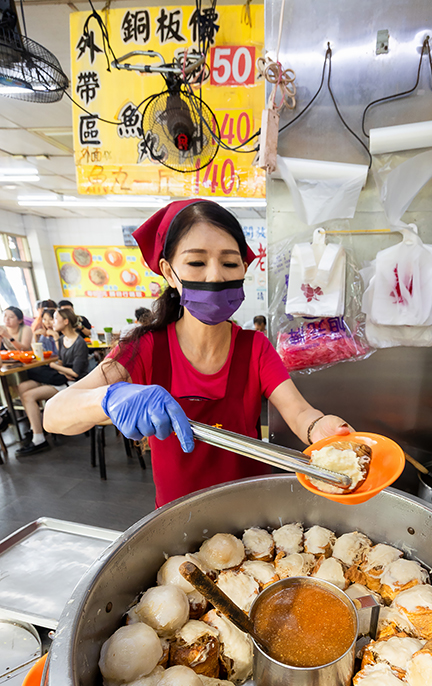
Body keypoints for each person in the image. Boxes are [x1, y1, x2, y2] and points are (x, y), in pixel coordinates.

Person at [44, 199, 352, 506]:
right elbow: (54, 416)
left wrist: (318, 429)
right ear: (168, 271)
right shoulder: (145, 348)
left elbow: (298, 413)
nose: (216, 276)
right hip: (178, 520)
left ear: (243, 268)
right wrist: (108, 399)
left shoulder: (254, 347)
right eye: (196, 263)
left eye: (229, 263)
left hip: (252, 514)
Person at [16, 307, 89, 457]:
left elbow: (75, 373)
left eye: (55, 319)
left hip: (73, 384)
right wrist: (60, 368)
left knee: (28, 396)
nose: (51, 323)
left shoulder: (79, 342)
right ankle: (35, 425)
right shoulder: (62, 340)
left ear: (66, 321)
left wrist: (55, 367)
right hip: (61, 377)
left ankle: (39, 439)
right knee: (22, 386)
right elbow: (62, 364)